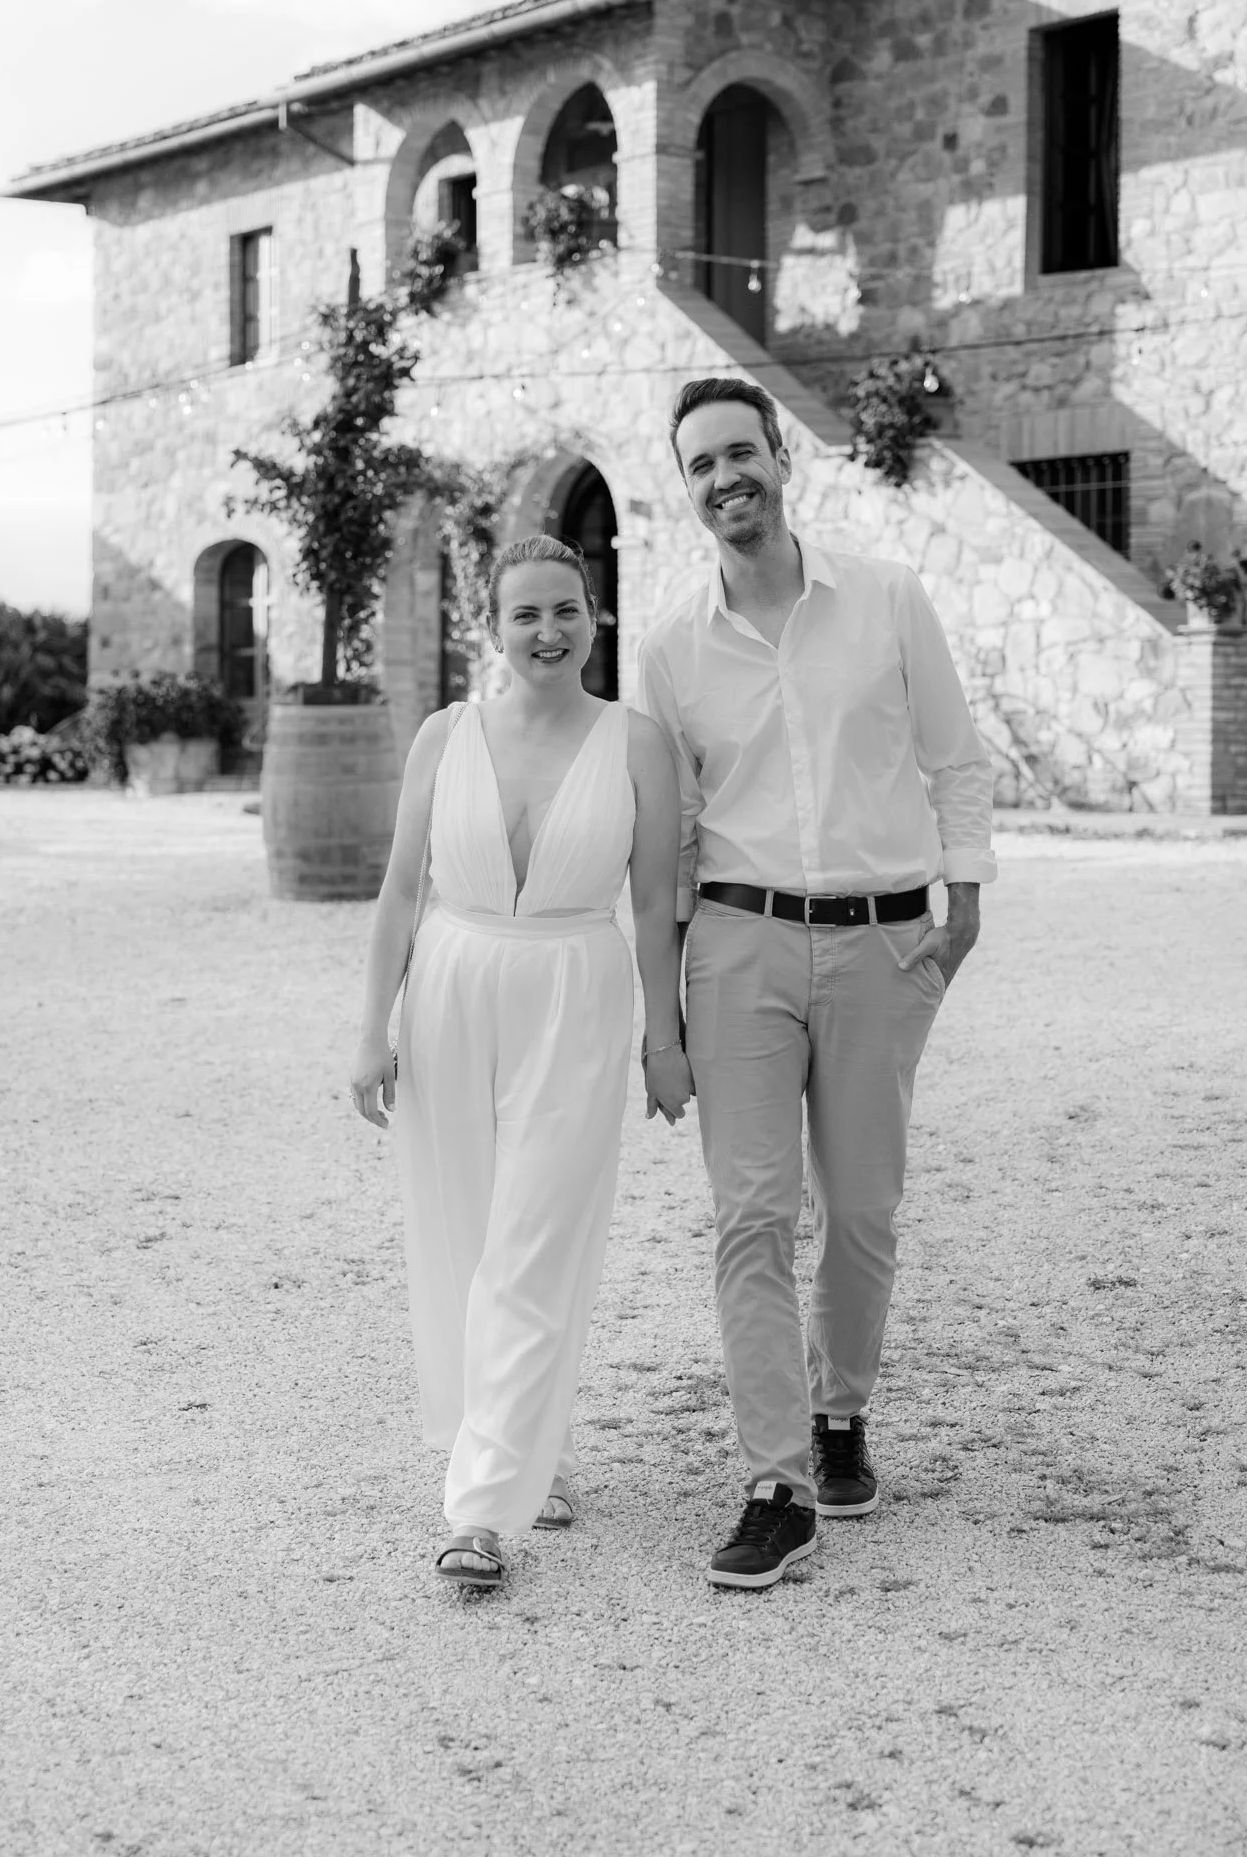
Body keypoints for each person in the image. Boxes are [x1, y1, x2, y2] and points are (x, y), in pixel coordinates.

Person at [637, 376, 997, 1591]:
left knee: (861, 1210)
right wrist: (660, 1017)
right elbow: (668, 838)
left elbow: (954, 758)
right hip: (737, 943)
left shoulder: (886, 596)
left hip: (881, 941)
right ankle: (776, 1484)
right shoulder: (670, 648)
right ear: (686, 489)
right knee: (750, 1213)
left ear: (781, 457)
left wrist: (964, 902)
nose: (725, 477)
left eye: (740, 452)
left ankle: (843, 1413)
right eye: (700, 464)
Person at [351, 534, 693, 1587]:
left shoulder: (638, 743)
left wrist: (665, 1039)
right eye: (525, 614)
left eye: (566, 609)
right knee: (461, 1235)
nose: (548, 632)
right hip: (450, 989)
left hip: (575, 994)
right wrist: (370, 1030)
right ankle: (515, 1440)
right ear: (492, 628)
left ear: (595, 616)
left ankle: (481, 1512)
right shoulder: (444, 735)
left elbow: (653, 905)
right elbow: (401, 890)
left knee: (535, 1241)